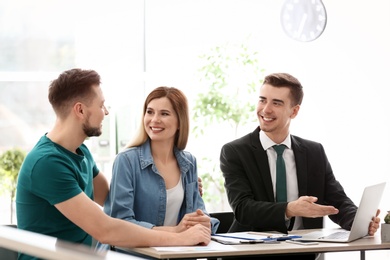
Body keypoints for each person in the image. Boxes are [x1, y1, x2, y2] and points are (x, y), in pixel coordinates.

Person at [16, 69, 211, 260]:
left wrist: (176, 187)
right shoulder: (47, 163)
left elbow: (112, 198)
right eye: (101, 106)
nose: (106, 112)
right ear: (80, 110)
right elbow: (106, 229)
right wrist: (178, 236)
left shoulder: (81, 152)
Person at [219, 73, 380, 259]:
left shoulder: (313, 151)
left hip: (303, 252)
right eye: (262, 100)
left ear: (294, 111)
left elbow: (336, 200)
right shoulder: (235, 151)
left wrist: (359, 222)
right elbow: (243, 208)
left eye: (276, 103)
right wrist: (289, 209)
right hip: (252, 254)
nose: (265, 109)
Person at [97, 86, 219, 252]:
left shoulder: (189, 162)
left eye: (164, 113)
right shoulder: (126, 161)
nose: (154, 120)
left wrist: (204, 221)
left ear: (179, 122)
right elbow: (121, 222)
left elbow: (198, 213)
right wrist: (175, 233)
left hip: (172, 254)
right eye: (150, 112)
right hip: (128, 255)